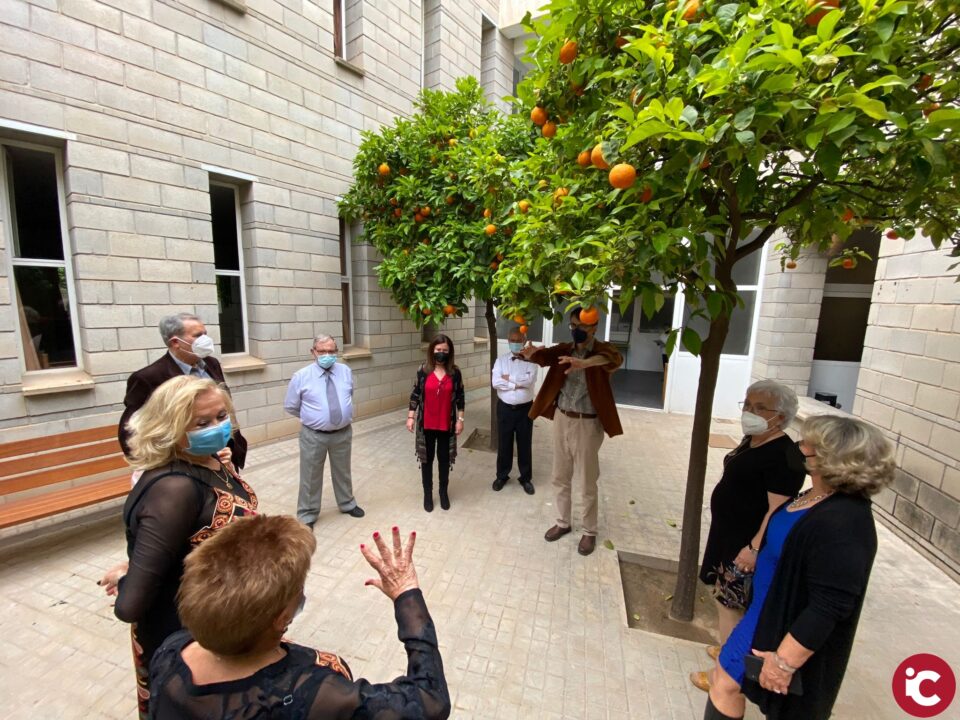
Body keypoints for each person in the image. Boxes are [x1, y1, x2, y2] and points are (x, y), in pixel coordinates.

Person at [148, 518, 449, 719]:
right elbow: (429, 700)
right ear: (281, 619)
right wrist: (406, 593)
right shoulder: (306, 694)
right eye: (298, 588)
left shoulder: (172, 650)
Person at [703, 415, 895, 720]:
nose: (799, 447)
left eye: (807, 443)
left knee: (726, 684)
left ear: (829, 458)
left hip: (783, 628)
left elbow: (829, 605)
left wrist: (783, 663)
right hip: (762, 615)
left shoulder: (846, 522)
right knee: (724, 680)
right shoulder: (815, 496)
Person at [98, 376, 258, 719]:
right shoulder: (173, 488)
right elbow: (130, 605)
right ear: (169, 428)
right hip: (185, 635)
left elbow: (190, 541)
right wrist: (131, 577)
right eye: (202, 423)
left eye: (221, 416)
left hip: (226, 622)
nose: (217, 427)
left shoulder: (212, 460)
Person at [691, 380, 806, 693]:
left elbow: (776, 510)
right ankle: (727, 652)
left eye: (759, 408)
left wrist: (754, 548)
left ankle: (724, 673)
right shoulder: (753, 440)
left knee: (731, 608)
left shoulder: (783, 456)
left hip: (746, 544)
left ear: (780, 417)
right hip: (727, 536)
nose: (749, 412)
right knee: (721, 598)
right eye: (747, 405)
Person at [520, 306, 623, 556]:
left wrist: (584, 363)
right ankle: (563, 523)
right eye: (574, 325)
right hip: (562, 419)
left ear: (594, 327)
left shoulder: (602, 350)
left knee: (587, 481)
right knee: (559, 476)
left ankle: (589, 532)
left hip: (587, 424)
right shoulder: (565, 349)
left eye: (583, 326)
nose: (578, 330)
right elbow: (544, 357)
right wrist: (532, 353)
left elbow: (614, 360)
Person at [118, 312, 247, 470]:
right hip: (186, 465)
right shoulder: (148, 377)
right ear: (175, 342)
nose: (205, 340)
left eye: (205, 334)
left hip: (226, 457)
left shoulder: (212, 364)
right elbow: (130, 430)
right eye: (198, 335)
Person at [284, 334, 364, 528]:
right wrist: (314, 418)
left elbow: (349, 394)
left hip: (343, 432)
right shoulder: (301, 376)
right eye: (322, 351)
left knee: (343, 470)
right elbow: (291, 405)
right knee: (310, 475)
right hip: (314, 435)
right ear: (313, 352)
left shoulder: (345, 371)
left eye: (331, 351)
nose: (327, 355)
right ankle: (307, 514)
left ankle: (347, 503)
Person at [406, 334, 465, 512]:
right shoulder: (423, 371)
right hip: (426, 425)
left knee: (444, 460)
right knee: (427, 460)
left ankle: (443, 493)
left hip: (446, 425)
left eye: (445, 350)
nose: (441, 353)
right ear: (432, 350)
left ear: (450, 352)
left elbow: (460, 397)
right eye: (438, 350)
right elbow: (415, 393)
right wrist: (410, 416)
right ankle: (427, 494)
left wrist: (460, 419)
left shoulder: (455, 373)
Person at [491, 327, 538, 494]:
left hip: (525, 409)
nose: (516, 343)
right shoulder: (501, 360)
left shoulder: (531, 361)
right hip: (504, 409)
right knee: (504, 444)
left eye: (519, 340)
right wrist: (517, 383)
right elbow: (496, 382)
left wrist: (508, 379)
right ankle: (502, 476)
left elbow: (530, 380)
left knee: (525, 444)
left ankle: (525, 478)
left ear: (524, 340)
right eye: (513, 340)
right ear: (508, 341)